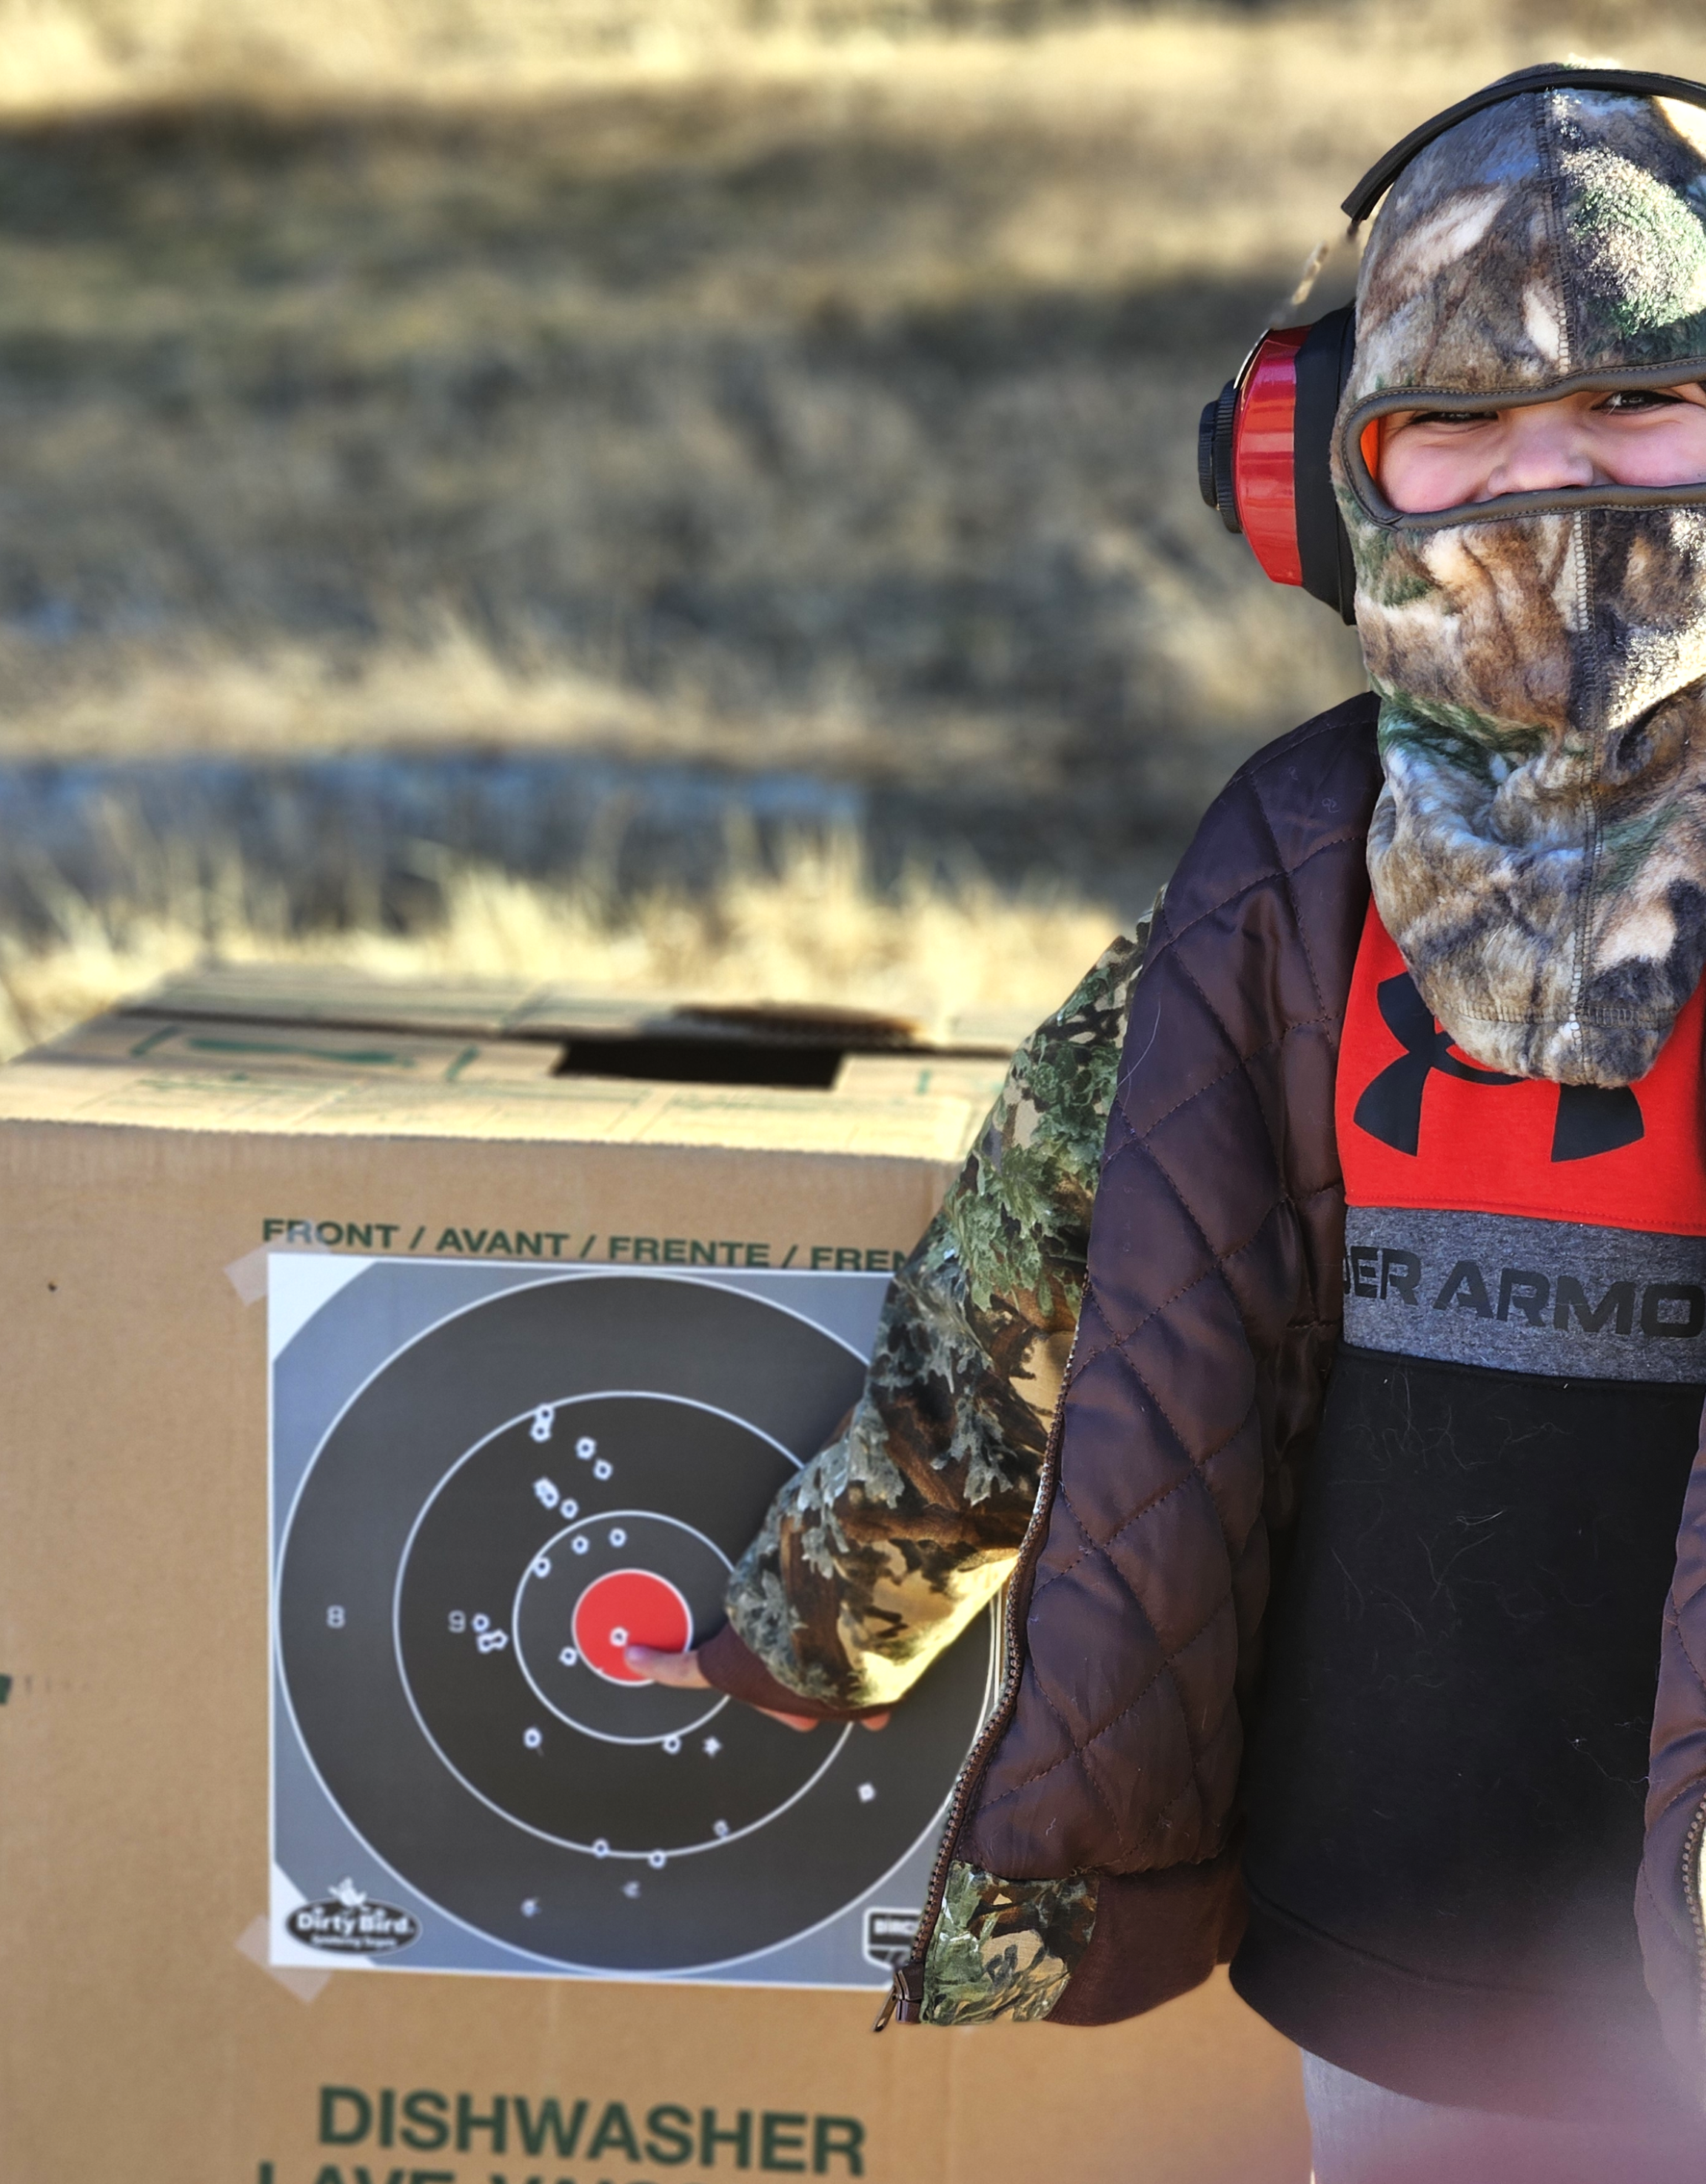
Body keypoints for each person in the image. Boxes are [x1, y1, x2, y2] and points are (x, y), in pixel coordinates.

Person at [633, 65, 1706, 2182]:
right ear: (1321, 483)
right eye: (1454, 425)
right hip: (1390, 1888)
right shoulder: (1286, 859)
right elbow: (1033, 1267)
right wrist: (826, 1609)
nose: (1548, 477)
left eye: (1639, 408)